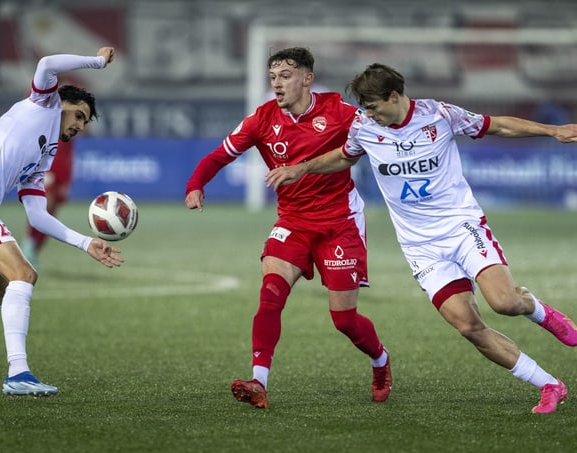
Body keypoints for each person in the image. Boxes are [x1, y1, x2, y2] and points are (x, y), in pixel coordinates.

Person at [265, 63, 577, 414]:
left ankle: (538, 311)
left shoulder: (440, 115)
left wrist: (554, 131)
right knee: (468, 326)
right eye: (364, 108)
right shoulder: (364, 127)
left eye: (373, 106)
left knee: (504, 302)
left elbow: (498, 125)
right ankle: (549, 384)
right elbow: (343, 156)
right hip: (420, 247)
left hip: (461, 226)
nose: (367, 114)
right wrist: (301, 168)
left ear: (394, 96)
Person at [185, 47, 392, 409]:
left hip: (339, 223)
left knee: (344, 321)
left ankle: (380, 361)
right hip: (292, 222)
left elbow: (384, 135)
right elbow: (218, 155)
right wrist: (195, 185)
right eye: (273, 77)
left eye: (285, 76)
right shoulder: (262, 119)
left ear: (307, 79)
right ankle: (258, 382)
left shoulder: (340, 113)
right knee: (271, 293)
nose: (277, 84)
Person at [0, 47, 123, 398]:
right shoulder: (44, 104)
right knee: (24, 275)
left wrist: (86, 243)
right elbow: (46, 64)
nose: (80, 126)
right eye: (79, 116)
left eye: (85, 123)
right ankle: (18, 372)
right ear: (62, 101)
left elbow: (37, 214)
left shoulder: (45, 155)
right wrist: (97, 62)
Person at [21, 137, 74, 269]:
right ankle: (28, 245)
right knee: (43, 210)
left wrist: (65, 180)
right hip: (48, 171)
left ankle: (33, 252)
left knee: (51, 214)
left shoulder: (71, 132)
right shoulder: (56, 123)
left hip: (60, 173)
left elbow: (67, 155)